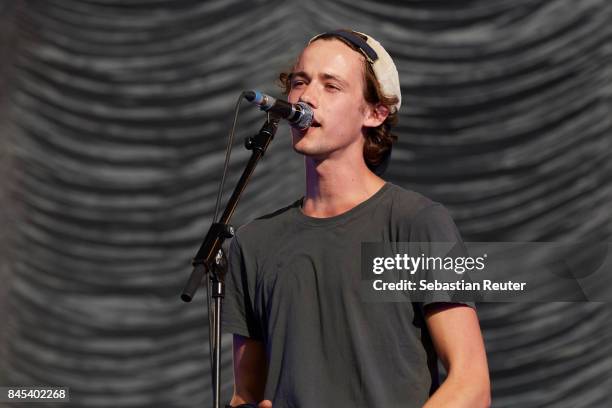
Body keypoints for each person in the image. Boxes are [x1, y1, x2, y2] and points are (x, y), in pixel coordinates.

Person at [222, 29, 490, 408]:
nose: (307, 97)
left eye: (331, 86)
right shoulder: (253, 243)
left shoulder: (415, 222)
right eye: (300, 82)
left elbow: (471, 384)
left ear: (374, 111)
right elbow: (245, 394)